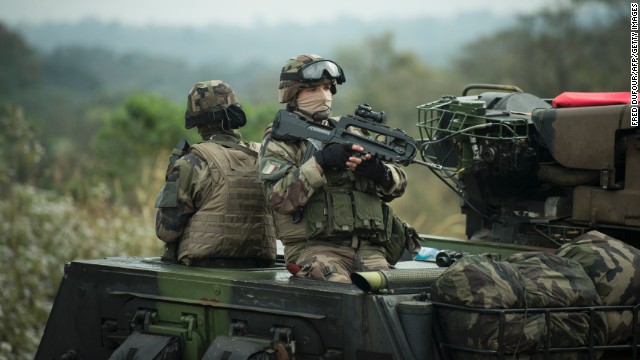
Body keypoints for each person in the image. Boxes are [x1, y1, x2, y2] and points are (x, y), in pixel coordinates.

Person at [259, 54, 408, 283]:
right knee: (341, 290)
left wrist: (380, 173)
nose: (323, 95)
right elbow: (279, 199)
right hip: (315, 249)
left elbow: (398, 184)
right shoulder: (281, 142)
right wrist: (320, 162)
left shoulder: (352, 133)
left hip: (369, 250)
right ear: (292, 94)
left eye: (327, 88)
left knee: (390, 290)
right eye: (312, 89)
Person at [155, 80, 276, 268]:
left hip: (205, 270)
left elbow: (166, 231)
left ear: (196, 119)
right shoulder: (263, 156)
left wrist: (172, 176)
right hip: (261, 265)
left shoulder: (192, 162)